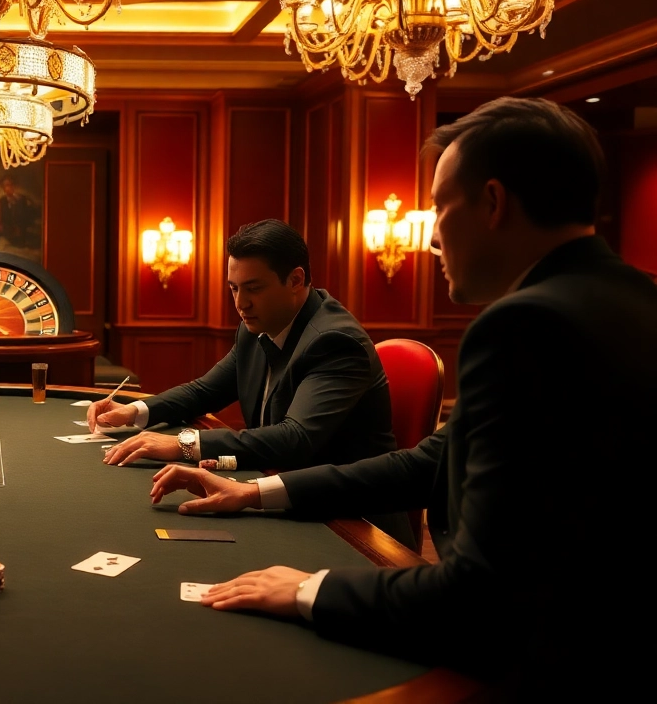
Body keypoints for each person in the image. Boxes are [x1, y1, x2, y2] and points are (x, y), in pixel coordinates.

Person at [148, 98, 657, 693]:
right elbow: (430, 463)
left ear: (493, 203)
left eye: (440, 206)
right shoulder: (636, 299)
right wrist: (255, 493)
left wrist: (309, 588)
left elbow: (481, 595)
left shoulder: (525, 326)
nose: (432, 235)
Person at [92, 221, 399, 471]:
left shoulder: (335, 342)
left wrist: (183, 444)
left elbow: (295, 439)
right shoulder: (256, 327)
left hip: (346, 515)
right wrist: (134, 411)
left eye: (254, 288)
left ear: (295, 280)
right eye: (234, 288)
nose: (241, 303)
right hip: (277, 483)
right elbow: (204, 391)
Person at [0, 177, 35, 249]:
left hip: (21, 233)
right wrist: (1, 227)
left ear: (14, 186)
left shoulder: (22, 199)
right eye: (6, 186)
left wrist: (20, 227)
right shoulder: (1, 201)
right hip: (7, 231)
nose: (9, 187)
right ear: (3, 188)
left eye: (10, 184)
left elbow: (26, 216)